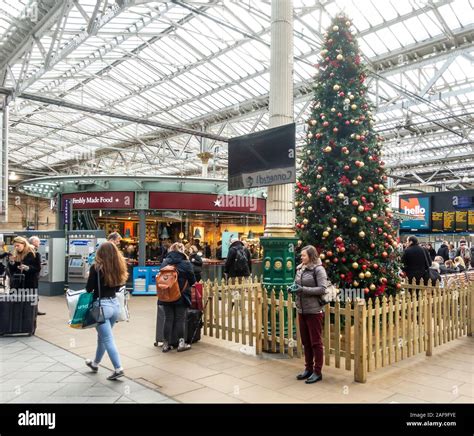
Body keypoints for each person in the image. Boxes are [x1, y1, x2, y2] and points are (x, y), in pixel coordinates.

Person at [85, 242, 128, 380]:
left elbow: (88, 289)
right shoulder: (118, 267)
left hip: (101, 306)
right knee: (102, 338)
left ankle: (118, 368)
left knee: (107, 339)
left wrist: (89, 277)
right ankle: (95, 363)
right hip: (115, 305)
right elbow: (117, 288)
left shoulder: (96, 268)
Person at [293, 245, 327, 384]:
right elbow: (297, 284)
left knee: (315, 343)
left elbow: (322, 289)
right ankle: (308, 369)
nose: (301, 257)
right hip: (302, 310)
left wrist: (302, 290)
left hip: (314, 310)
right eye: (301, 255)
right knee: (306, 342)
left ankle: (317, 372)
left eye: (304, 255)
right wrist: (294, 288)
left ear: (311, 256)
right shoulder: (300, 268)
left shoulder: (319, 269)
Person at [159, 242, 195, 352]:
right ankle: (181, 343)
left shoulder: (165, 262)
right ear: (182, 250)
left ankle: (165, 344)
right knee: (180, 319)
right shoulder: (186, 263)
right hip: (181, 295)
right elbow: (193, 280)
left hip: (166, 294)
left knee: (168, 318)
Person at [28, 236, 46, 315]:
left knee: (34, 293)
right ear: (34, 242)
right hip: (32, 277)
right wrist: (39, 265)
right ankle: (34, 311)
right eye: (38, 242)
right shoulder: (33, 252)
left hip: (33, 276)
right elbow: (33, 265)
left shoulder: (31, 251)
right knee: (33, 293)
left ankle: (35, 310)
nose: (39, 243)